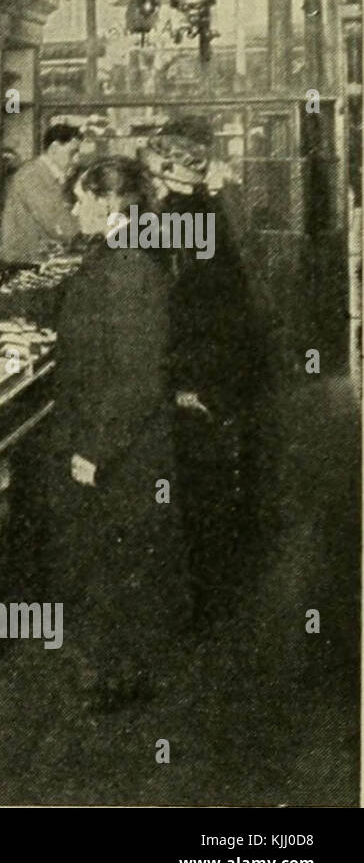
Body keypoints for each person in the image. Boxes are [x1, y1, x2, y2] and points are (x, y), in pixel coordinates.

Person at [48, 155, 187, 714]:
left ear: (109, 206)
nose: (74, 208)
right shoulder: (117, 254)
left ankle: (117, 679)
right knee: (109, 559)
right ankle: (110, 670)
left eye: (82, 199)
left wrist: (93, 449)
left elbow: (138, 378)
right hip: (115, 435)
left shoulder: (129, 268)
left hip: (122, 447)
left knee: (116, 561)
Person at [140, 120, 266, 621]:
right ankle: (214, 589)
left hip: (199, 372)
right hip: (221, 366)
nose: (147, 181)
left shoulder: (178, 219)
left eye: (151, 171)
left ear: (168, 174)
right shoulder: (205, 211)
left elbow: (187, 306)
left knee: (197, 488)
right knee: (210, 482)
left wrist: (184, 384)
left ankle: (203, 601)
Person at [0, 123, 82, 266]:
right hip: (20, 261)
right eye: (72, 152)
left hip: (38, 258)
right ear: (54, 149)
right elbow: (56, 225)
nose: (77, 160)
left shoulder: (49, 173)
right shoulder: (33, 175)